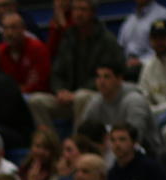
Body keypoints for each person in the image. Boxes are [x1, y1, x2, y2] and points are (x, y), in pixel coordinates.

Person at [31, 0, 125, 130]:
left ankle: (78, 144)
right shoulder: (68, 37)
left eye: (83, 9)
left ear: (93, 13)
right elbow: (57, 71)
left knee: (81, 97)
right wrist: (60, 90)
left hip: (97, 97)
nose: (78, 14)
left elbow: (109, 75)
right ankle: (50, 143)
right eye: (75, 9)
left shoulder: (106, 40)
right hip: (68, 98)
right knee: (36, 101)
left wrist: (76, 93)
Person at [77, 56, 163, 151]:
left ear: (119, 79)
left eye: (106, 77)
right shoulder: (96, 101)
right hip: (113, 151)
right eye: (98, 77)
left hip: (144, 153)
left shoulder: (135, 101)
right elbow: (82, 135)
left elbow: (135, 139)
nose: (101, 82)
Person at [0, 10, 52, 96]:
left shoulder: (37, 48)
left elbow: (42, 83)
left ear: (23, 28)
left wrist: (19, 90)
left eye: (13, 28)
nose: (9, 33)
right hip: (10, 97)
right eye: (5, 28)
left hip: (37, 96)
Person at [118, 0, 166, 70]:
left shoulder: (164, 15)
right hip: (127, 69)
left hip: (152, 68)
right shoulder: (129, 20)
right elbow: (120, 48)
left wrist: (142, 61)